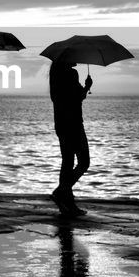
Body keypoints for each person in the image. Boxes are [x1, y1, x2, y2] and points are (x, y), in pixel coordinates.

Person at [49, 55, 92, 216]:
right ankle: (62, 192)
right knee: (83, 162)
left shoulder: (55, 76)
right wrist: (86, 87)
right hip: (73, 123)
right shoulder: (70, 74)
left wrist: (85, 88)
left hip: (61, 123)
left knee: (68, 161)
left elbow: (68, 98)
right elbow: (76, 98)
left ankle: (66, 198)